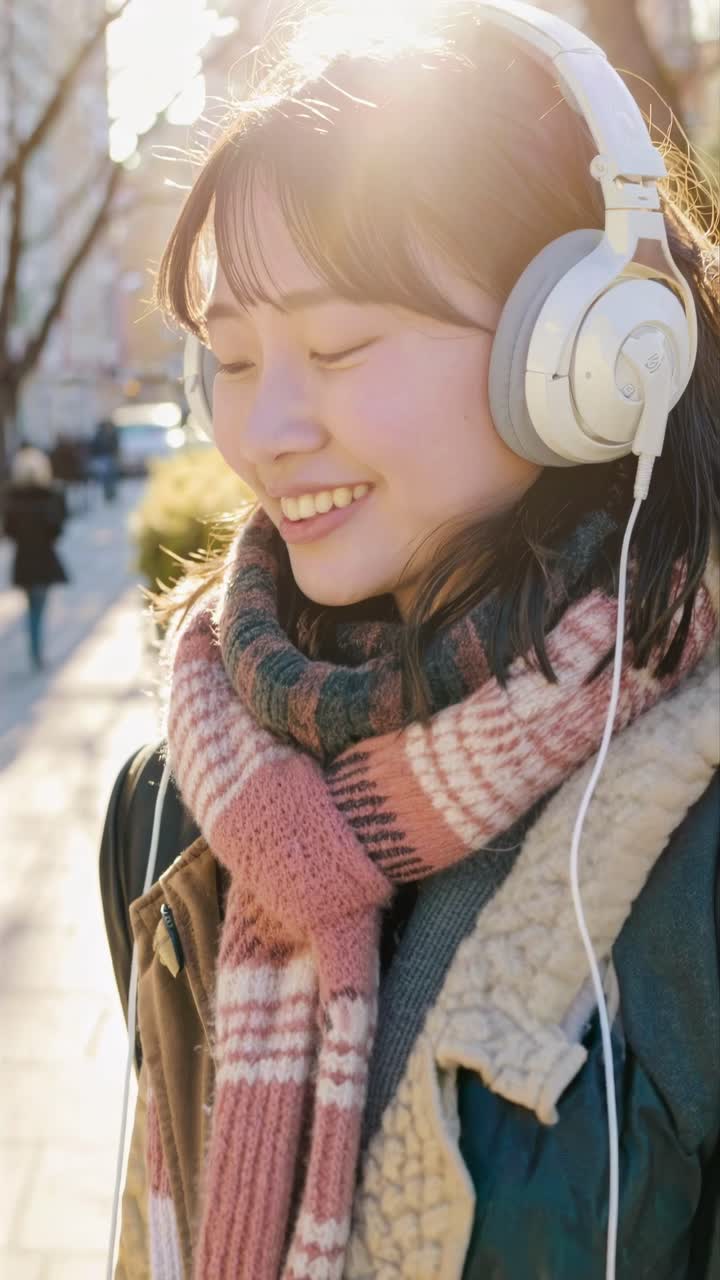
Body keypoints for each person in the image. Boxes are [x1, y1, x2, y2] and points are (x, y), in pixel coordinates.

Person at [99, 4, 720, 1277]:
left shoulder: (695, 833)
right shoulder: (175, 803)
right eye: (230, 358)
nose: (264, 429)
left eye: (338, 345)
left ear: (587, 346)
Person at [3, 445, 69, 670]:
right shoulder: (49, 497)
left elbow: (9, 532)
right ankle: (36, 652)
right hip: (43, 561)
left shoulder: (14, 499)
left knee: (32, 606)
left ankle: (35, 650)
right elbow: (57, 530)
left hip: (24, 561)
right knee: (38, 607)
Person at [90, 417, 120, 502]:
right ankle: (107, 494)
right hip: (102, 458)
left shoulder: (113, 434)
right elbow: (94, 447)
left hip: (111, 458)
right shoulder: (99, 435)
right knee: (105, 477)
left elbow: (116, 446)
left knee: (112, 477)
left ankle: (112, 494)